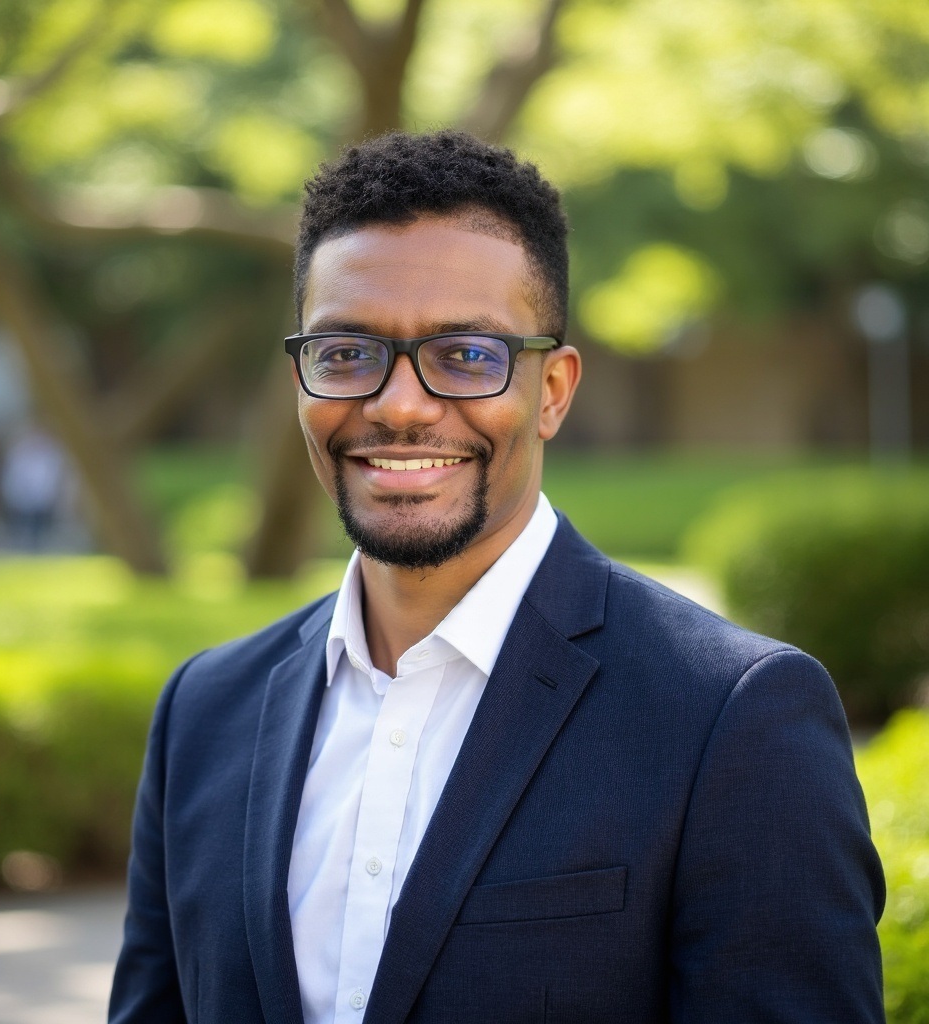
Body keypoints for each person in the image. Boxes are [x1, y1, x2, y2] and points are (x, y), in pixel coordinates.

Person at [109, 130, 885, 1024]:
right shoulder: (204, 712)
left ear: (552, 390)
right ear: (301, 379)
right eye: (346, 352)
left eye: (466, 356)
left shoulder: (732, 716)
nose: (399, 404)